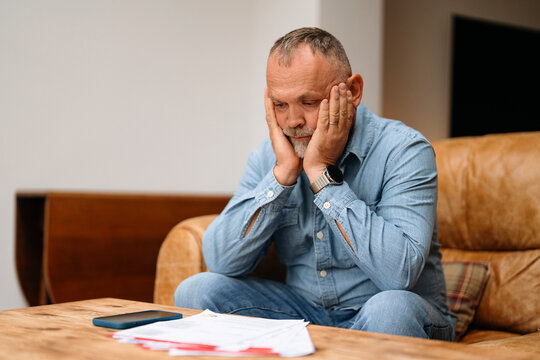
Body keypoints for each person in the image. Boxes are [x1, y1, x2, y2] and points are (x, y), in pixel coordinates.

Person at [175, 27, 457, 341]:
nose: (292, 121)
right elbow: (221, 260)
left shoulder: (404, 150)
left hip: (390, 314)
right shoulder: (271, 155)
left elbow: (399, 274)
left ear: (352, 92)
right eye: (280, 105)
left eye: (308, 102)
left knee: (391, 309)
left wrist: (321, 173)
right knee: (196, 291)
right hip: (305, 314)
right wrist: (283, 174)